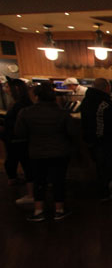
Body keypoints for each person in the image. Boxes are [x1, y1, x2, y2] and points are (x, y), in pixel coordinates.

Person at [15, 82, 78, 221]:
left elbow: (19, 132)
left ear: (37, 96)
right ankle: (59, 210)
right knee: (58, 181)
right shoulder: (62, 113)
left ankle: (38, 211)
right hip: (60, 151)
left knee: (39, 181)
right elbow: (72, 132)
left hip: (36, 152)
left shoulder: (26, 112)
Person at [80, 78, 112, 200]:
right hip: (106, 139)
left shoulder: (86, 101)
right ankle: (108, 191)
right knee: (108, 165)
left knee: (99, 166)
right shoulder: (107, 104)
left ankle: (103, 190)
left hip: (90, 139)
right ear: (107, 88)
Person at [1, 77, 34, 203]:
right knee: (25, 165)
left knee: (27, 166)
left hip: (19, 140)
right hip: (19, 139)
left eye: (8, 87)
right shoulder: (23, 103)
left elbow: (21, 125)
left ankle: (32, 195)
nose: (5, 89)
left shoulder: (20, 105)